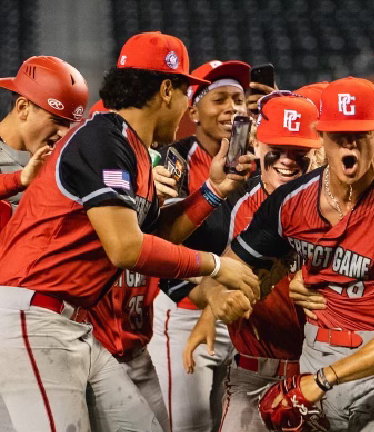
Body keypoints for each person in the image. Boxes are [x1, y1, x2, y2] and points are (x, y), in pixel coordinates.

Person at [0, 31, 258, 432]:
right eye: (189, 94)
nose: (189, 109)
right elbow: (125, 249)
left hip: (69, 323)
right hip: (32, 317)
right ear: (167, 90)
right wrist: (213, 266)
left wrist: (212, 191)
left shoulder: (131, 146)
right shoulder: (104, 137)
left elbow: (156, 237)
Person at [190, 77, 374, 432]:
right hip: (313, 353)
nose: (348, 145)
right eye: (338, 135)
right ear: (322, 137)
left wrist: (323, 379)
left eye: (360, 134)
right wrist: (218, 293)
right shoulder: (289, 200)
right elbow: (229, 267)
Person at [181, 92, 322, 432]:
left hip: (317, 379)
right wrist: (210, 305)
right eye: (278, 148)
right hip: (251, 375)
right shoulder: (233, 205)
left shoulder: (337, 204)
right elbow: (196, 275)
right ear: (257, 145)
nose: (287, 160)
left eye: (299, 150)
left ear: (318, 152)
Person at [148, 59, 251, 432]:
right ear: (193, 109)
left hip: (243, 315)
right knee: (188, 425)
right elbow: (160, 241)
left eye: (238, 99)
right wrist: (203, 287)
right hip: (185, 309)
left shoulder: (261, 161)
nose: (232, 109)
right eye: (219, 99)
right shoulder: (174, 160)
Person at [0, 56, 88, 205]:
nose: (64, 133)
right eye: (57, 120)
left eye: (69, 123)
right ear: (23, 108)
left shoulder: (64, 162)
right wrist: (19, 179)